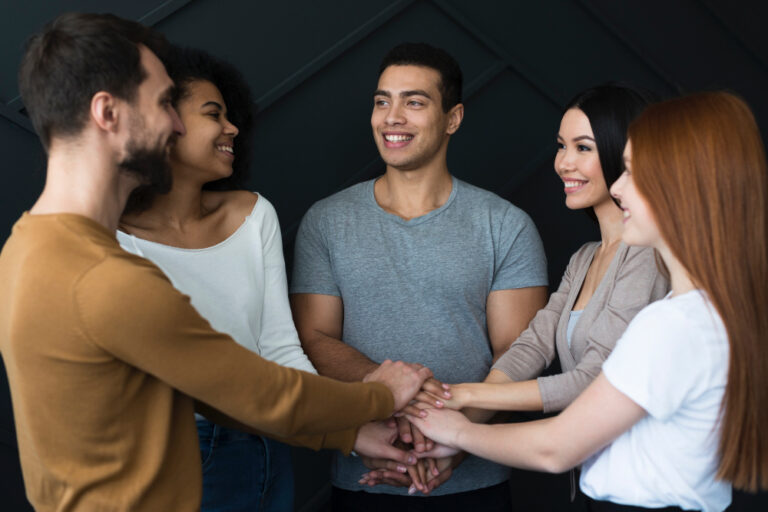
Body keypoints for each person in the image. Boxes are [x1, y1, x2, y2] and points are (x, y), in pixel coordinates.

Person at [0, 13, 435, 511]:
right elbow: (263, 393)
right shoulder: (106, 278)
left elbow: (219, 393)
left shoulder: (25, 246)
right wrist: (381, 393)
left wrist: (342, 433)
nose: (174, 122)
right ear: (108, 113)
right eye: (164, 102)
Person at [409, 91, 768, 511]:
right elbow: (535, 345)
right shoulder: (694, 309)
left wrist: (455, 424)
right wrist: (456, 413)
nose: (618, 186)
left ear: (679, 188)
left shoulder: (673, 323)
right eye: (562, 146)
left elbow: (557, 447)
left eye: (633, 172)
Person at [290, 42, 548, 510]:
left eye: (414, 101)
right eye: (382, 101)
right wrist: (390, 390)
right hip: (362, 475)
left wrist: (454, 436)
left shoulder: (505, 225)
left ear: (453, 118)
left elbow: (518, 351)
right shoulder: (326, 221)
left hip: (477, 481)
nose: (391, 116)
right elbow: (313, 338)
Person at [117, 46, 312, 512]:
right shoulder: (114, 240)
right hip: (174, 452)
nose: (232, 128)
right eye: (213, 114)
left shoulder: (254, 214)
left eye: (230, 114)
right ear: (162, 120)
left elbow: (280, 347)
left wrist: (335, 423)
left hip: (270, 437)